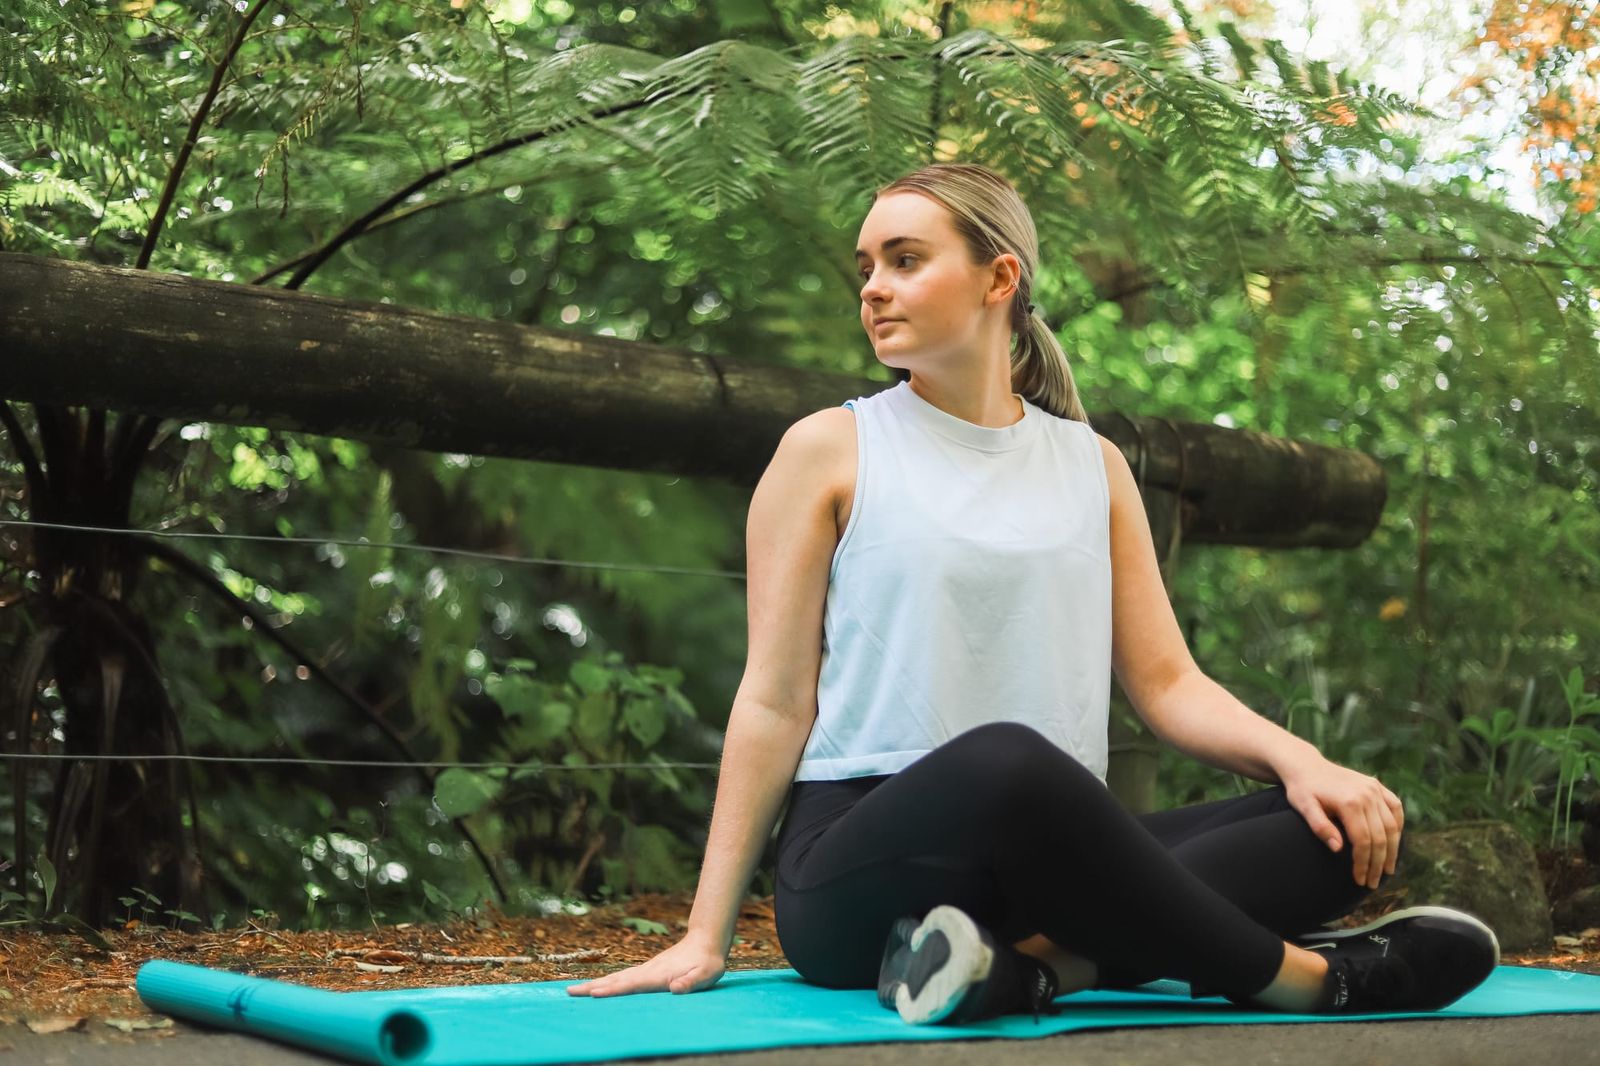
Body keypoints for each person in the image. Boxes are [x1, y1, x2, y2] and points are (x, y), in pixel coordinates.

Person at [566, 162, 1499, 1024]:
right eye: (867, 266)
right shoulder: (829, 449)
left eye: (904, 259)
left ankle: (1027, 970)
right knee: (1008, 761)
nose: (872, 287)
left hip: (1048, 867)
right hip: (861, 868)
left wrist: (1306, 764)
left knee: (1331, 827)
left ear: (997, 278)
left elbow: (1168, 685)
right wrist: (704, 935)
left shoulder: (1092, 466)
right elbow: (773, 699)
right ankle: (1309, 982)